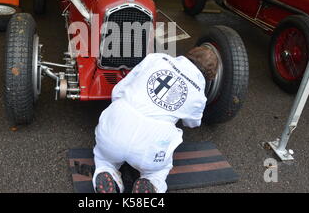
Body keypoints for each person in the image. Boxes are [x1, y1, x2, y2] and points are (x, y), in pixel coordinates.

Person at [92, 47, 218, 193]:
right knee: (158, 170)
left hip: (117, 127)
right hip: (149, 148)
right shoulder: (198, 95)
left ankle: (107, 171)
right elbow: (192, 123)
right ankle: (150, 182)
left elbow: (119, 90)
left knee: (105, 157)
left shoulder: (156, 59)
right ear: (209, 76)